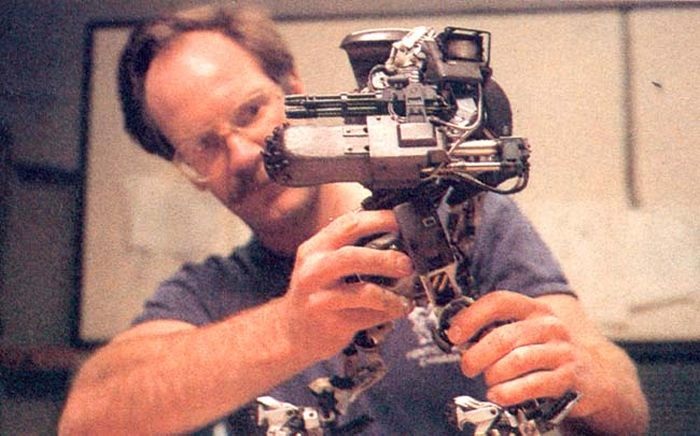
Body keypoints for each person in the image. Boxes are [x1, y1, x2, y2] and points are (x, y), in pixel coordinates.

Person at [59, 5, 648, 435]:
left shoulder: (466, 218)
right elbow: (87, 418)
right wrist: (288, 331)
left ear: (293, 88)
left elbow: (624, 404)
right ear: (185, 168)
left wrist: (582, 375)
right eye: (202, 147)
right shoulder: (211, 293)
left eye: (251, 111)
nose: (241, 153)